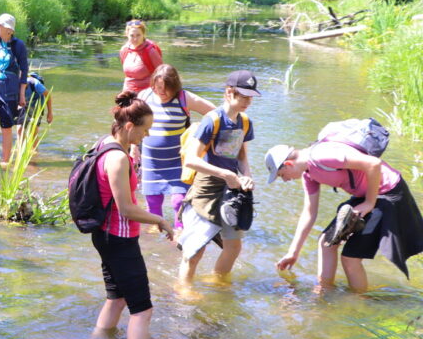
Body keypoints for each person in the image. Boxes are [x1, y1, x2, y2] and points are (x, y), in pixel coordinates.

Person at [265, 140, 423, 293]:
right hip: (367, 195)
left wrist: (369, 203)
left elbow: (373, 163)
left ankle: (358, 303)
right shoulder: (309, 175)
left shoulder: (322, 155)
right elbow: (309, 212)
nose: (285, 180)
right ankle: (324, 291)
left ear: (288, 164)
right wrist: (293, 252)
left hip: (387, 193)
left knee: (350, 258)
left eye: (281, 175)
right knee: (326, 242)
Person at [91, 92, 173, 339]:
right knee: (142, 309)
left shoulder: (104, 144)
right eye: (144, 130)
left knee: (116, 298)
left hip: (104, 234)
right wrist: (159, 219)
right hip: (119, 238)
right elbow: (126, 208)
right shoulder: (118, 159)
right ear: (129, 126)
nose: (146, 136)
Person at [176, 70, 259, 286]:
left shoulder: (245, 122)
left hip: (232, 190)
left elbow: (241, 157)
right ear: (229, 92)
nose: (248, 101)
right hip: (206, 189)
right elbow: (191, 160)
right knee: (195, 250)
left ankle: (218, 284)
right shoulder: (211, 120)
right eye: (244, 96)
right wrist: (224, 174)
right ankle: (183, 292)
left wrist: (247, 177)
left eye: (251, 97)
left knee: (233, 247)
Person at [136, 64, 215, 229]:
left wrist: (200, 136)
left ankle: (180, 235)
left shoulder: (184, 98)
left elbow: (215, 115)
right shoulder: (145, 96)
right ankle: (157, 241)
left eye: (166, 89)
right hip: (151, 161)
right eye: (157, 88)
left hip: (177, 160)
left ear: (175, 87)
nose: (161, 92)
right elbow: (133, 123)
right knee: (153, 202)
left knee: (179, 201)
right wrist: (133, 148)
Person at [0, 13, 29, 165]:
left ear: (9, 29)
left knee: (6, 127)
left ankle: (5, 160)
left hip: (9, 93)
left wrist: (22, 95)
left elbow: (24, 71)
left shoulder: (18, 46)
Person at [16, 71, 55, 155]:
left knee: (33, 131)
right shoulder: (14, 85)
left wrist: (50, 113)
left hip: (37, 107)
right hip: (24, 105)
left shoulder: (35, 84)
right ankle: (21, 152)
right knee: (19, 129)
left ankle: (35, 152)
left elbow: (48, 95)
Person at [119, 19, 162, 92]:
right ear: (127, 35)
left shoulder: (151, 51)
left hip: (147, 93)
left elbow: (161, 74)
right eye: (132, 35)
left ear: (143, 34)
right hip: (128, 91)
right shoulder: (124, 50)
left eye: (138, 35)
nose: (135, 39)